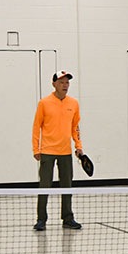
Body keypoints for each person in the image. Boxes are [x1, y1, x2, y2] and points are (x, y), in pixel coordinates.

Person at [32, 70, 84, 231]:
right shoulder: (44, 103)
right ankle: (41, 220)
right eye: (61, 82)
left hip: (66, 152)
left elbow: (75, 128)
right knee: (44, 186)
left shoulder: (73, 103)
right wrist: (36, 148)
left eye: (67, 82)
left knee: (67, 186)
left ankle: (68, 218)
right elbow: (36, 127)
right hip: (47, 151)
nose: (65, 85)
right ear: (54, 84)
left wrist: (78, 146)